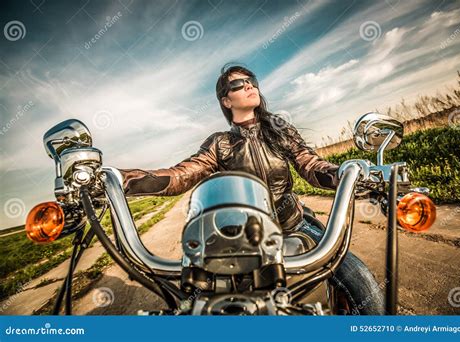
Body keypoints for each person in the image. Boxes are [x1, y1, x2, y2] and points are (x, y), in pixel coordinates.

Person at [118, 64, 385, 314]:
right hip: (243, 237)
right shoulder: (219, 143)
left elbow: (310, 164)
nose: (250, 86)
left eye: (252, 81)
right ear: (226, 100)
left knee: (360, 279)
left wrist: (345, 174)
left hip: (292, 224)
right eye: (239, 84)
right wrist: (122, 180)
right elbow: (180, 176)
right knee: (191, 303)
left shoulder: (280, 130)